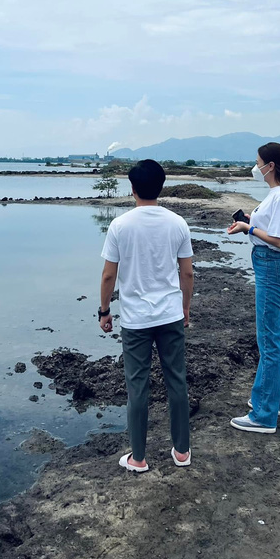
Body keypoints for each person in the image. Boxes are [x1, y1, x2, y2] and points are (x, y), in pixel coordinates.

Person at [99, 159, 195, 472]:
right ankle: (182, 451)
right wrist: (185, 308)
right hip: (169, 314)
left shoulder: (120, 225)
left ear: (132, 188)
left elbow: (108, 277)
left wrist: (104, 311)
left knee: (137, 386)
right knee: (176, 381)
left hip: (136, 320)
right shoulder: (177, 223)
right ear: (162, 186)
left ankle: (138, 458)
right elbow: (188, 273)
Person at [226, 142, 280, 433]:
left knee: (269, 342)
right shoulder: (278, 195)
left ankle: (263, 415)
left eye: (258, 162)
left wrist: (249, 229)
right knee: (278, 339)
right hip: (270, 266)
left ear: (270, 166)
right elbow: (272, 230)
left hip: (272, 266)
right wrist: (247, 222)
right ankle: (278, 402)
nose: (255, 167)